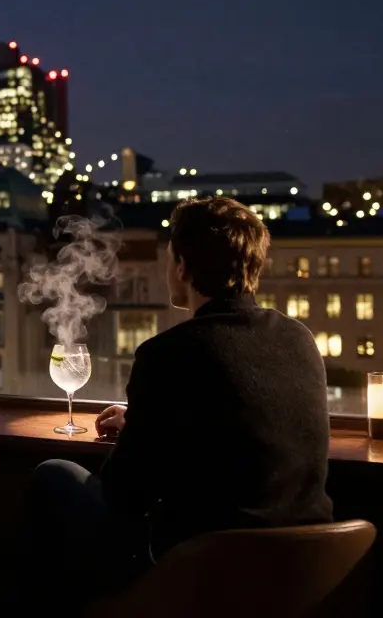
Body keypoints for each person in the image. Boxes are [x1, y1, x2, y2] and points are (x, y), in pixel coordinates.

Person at [24, 196, 334, 606]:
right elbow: (241, 413)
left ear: (183, 266)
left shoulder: (168, 353)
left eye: (170, 255)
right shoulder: (299, 338)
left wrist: (143, 432)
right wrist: (150, 419)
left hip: (206, 573)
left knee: (54, 475)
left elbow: (125, 496)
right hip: (307, 573)